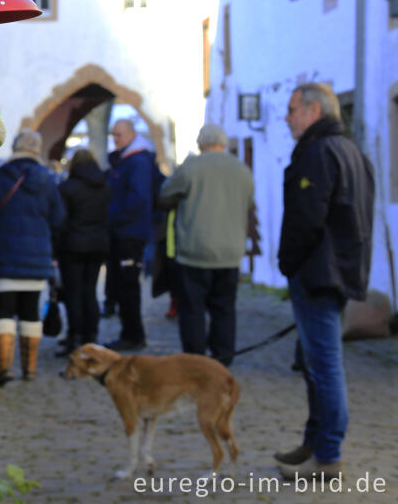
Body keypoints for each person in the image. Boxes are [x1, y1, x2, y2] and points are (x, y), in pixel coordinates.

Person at [275, 83, 374, 479]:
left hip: (319, 271)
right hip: (335, 269)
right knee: (317, 364)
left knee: (325, 365)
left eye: (292, 109)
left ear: (313, 110)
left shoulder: (319, 151)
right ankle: (315, 442)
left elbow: (307, 218)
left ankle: (328, 455)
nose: (287, 117)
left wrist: (289, 262)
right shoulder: (351, 150)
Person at [157, 124, 254, 367]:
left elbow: (165, 195)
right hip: (230, 252)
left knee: (192, 309)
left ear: (201, 144)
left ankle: (195, 360)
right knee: (224, 308)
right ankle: (222, 359)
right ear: (222, 143)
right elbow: (249, 201)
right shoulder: (241, 169)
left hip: (195, 250)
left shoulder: (191, 167)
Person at [0, 130, 65, 385]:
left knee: (2, 312)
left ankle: (4, 369)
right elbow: (59, 220)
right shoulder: (49, 181)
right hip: (36, 259)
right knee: (31, 311)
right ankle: (30, 368)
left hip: (1, 256)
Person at [104, 118, 157, 351]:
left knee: (128, 286)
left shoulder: (137, 161)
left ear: (131, 135)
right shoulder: (125, 160)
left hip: (130, 233)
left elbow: (138, 198)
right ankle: (130, 332)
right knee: (122, 285)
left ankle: (133, 335)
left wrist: (115, 219)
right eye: (113, 135)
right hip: (124, 231)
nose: (115, 139)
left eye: (119, 135)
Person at [55, 148, 111, 356]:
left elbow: (61, 221)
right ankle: (91, 337)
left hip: (72, 247)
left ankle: (75, 338)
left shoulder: (67, 188)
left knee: (73, 294)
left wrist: (56, 249)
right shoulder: (105, 187)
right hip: (97, 245)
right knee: (90, 292)